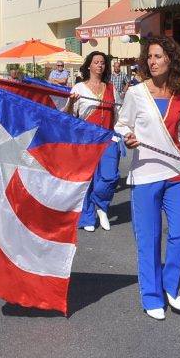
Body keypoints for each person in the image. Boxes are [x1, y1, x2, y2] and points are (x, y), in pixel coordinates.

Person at [115, 36, 180, 320]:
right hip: (145, 175)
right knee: (150, 238)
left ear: (170, 59)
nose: (152, 62)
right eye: (150, 57)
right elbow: (121, 124)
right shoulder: (136, 93)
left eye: (158, 56)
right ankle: (152, 296)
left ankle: (170, 284)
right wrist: (127, 138)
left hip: (175, 172)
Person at [66, 51, 119, 233]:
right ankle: (87, 217)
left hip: (108, 137)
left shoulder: (111, 88)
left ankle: (100, 204)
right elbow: (69, 116)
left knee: (110, 176)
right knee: (87, 179)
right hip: (86, 139)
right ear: (89, 65)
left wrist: (122, 133)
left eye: (102, 62)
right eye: (96, 62)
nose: (100, 65)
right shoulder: (79, 88)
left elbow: (119, 115)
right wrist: (71, 103)